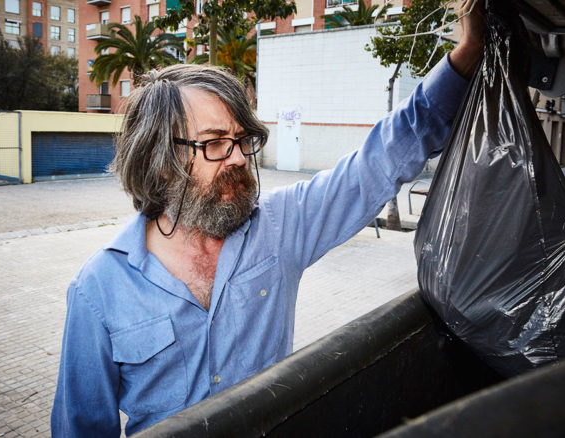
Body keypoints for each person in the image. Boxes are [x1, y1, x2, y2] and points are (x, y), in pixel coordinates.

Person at [51, 1, 485, 435]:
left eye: (242, 140)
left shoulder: (278, 228)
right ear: (161, 161)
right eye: (215, 143)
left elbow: (376, 163)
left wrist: (467, 55)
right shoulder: (99, 289)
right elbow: (80, 428)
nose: (239, 157)